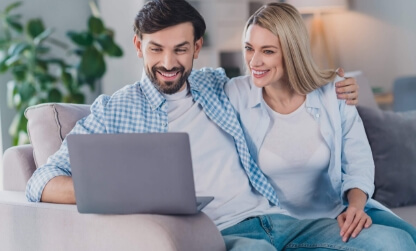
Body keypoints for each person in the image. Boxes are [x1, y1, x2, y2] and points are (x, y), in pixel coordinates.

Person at [25, 0, 409, 250]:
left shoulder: (217, 85)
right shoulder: (116, 109)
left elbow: (279, 79)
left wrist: (336, 86)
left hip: (282, 219)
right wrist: (124, 189)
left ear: (196, 47)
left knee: (393, 243)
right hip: (222, 234)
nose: (169, 63)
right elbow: (40, 182)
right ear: (139, 46)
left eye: (180, 49)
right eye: (156, 49)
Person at [223, 2, 416, 250]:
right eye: (249, 48)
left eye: (268, 51)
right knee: (393, 245)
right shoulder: (235, 94)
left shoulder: (333, 91)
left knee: (409, 238)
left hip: (337, 210)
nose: (254, 62)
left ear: (292, 52)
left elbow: (358, 161)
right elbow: (189, 81)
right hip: (279, 224)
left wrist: (356, 208)